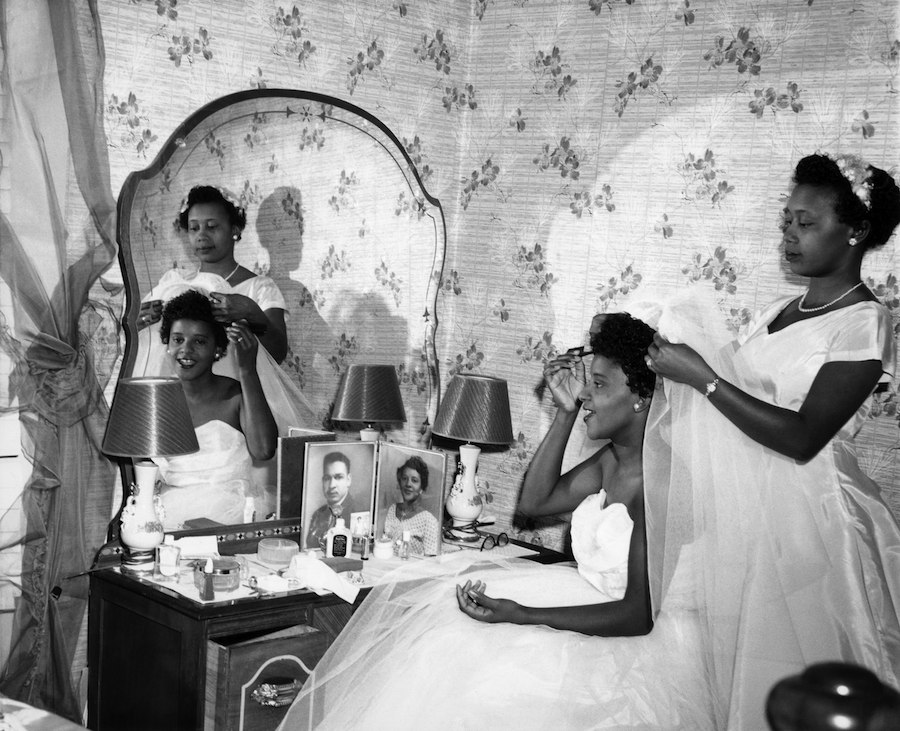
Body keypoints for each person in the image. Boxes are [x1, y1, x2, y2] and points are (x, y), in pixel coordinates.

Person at [278, 313, 716, 730]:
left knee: (490, 688)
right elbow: (535, 502)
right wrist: (564, 414)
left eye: (598, 385)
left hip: (632, 641)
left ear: (642, 398)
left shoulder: (660, 481)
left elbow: (638, 616)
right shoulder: (613, 460)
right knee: (447, 645)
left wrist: (522, 614)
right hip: (593, 600)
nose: (585, 394)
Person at [645, 152, 900, 728]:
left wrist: (703, 378)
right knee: (740, 672)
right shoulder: (775, 312)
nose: (789, 235)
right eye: (787, 221)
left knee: (797, 670)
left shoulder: (864, 322)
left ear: (856, 231)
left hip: (813, 519)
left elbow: (804, 437)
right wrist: (653, 348)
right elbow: (721, 388)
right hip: (748, 509)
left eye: (806, 223)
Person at [153, 289, 277, 530]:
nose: (186, 350)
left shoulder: (236, 395)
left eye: (199, 341)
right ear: (167, 344)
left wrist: (247, 370)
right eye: (178, 339)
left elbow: (264, 450)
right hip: (169, 516)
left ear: (218, 349)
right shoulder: (156, 400)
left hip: (229, 517)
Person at [139, 185, 288, 363]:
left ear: (234, 230)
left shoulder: (260, 288)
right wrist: (137, 326)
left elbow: (278, 353)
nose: (201, 235)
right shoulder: (173, 282)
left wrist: (251, 312)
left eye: (211, 227)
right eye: (194, 228)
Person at [382, 456, 439, 556]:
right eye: (404, 478)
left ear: (421, 488)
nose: (408, 484)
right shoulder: (392, 509)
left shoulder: (429, 521)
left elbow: (430, 561)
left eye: (414, 480)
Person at [305, 452, 357, 550]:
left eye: (338, 477)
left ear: (348, 480)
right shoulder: (318, 514)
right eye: (327, 478)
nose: (332, 485)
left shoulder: (357, 512)